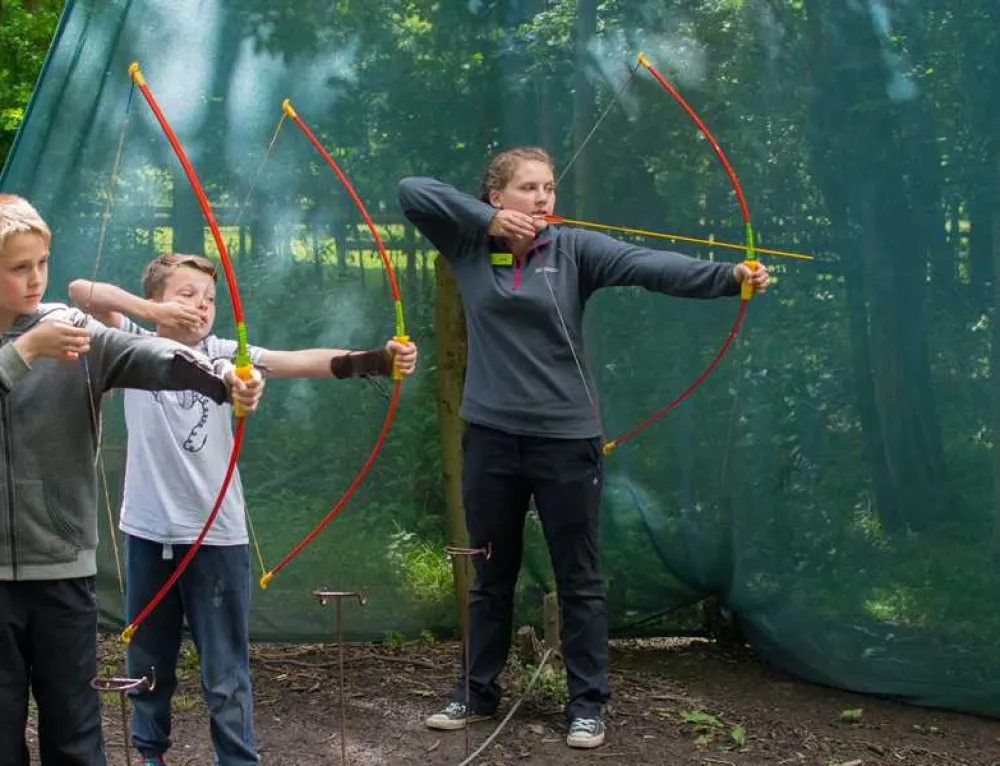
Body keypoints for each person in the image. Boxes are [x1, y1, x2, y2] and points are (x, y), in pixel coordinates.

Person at [397, 147, 770, 749]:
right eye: (528, 189)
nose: (544, 198)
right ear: (497, 197)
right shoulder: (469, 245)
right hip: (490, 438)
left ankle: (586, 705)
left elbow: (648, 264)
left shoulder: (572, 249)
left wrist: (728, 278)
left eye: (549, 188)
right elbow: (413, 186)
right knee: (491, 571)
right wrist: (488, 224)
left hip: (565, 442)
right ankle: (476, 693)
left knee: (580, 577)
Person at [69, 254, 418, 766]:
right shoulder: (132, 345)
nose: (201, 306)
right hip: (147, 532)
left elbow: (299, 360)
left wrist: (375, 360)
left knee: (225, 669)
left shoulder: (228, 353)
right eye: (186, 294)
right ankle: (150, 755)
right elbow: (82, 289)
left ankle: (236, 759)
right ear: (157, 298)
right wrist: (153, 312)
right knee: (147, 660)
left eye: (210, 299)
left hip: (218, 538)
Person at [0, 195, 263, 766]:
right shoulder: (38, 342)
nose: (35, 278)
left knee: (75, 734)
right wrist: (23, 353)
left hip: (62, 568)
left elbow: (150, 354)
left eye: (41, 263)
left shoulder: (68, 330)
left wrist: (223, 377)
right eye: (19, 267)